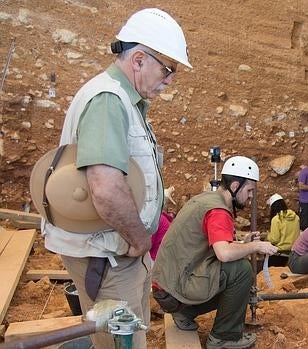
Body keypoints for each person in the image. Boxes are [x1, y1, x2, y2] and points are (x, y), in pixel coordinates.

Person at [40, 8, 191, 349]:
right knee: (120, 342)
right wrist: (139, 240)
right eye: (167, 70)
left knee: (134, 336)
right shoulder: (109, 100)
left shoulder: (126, 101)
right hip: (108, 256)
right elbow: (106, 189)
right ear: (138, 60)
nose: (169, 80)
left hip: (121, 252)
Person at [152, 156, 278, 348]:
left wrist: (241, 243)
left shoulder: (206, 200)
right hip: (174, 291)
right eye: (250, 190)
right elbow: (224, 254)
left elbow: (217, 246)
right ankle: (224, 337)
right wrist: (255, 246)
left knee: (231, 272)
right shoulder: (218, 210)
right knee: (242, 271)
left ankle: (186, 313)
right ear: (236, 185)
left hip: (168, 289)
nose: (251, 196)